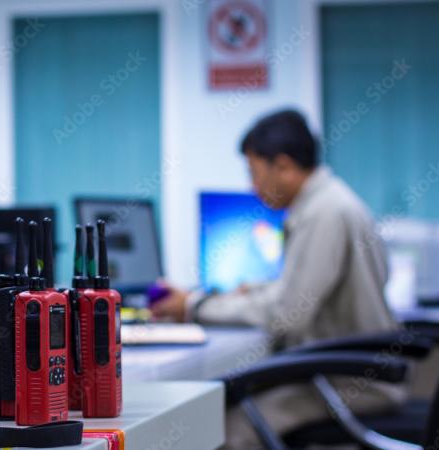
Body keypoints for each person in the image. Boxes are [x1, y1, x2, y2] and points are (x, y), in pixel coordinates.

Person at [152, 109, 404, 449]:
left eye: (254, 173)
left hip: (351, 383)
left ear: (283, 166)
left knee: (228, 425)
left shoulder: (323, 213)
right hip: (354, 373)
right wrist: (252, 290)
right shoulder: (335, 201)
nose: (252, 186)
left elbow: (289, 314)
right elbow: (308, 289)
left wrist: (195, 306)